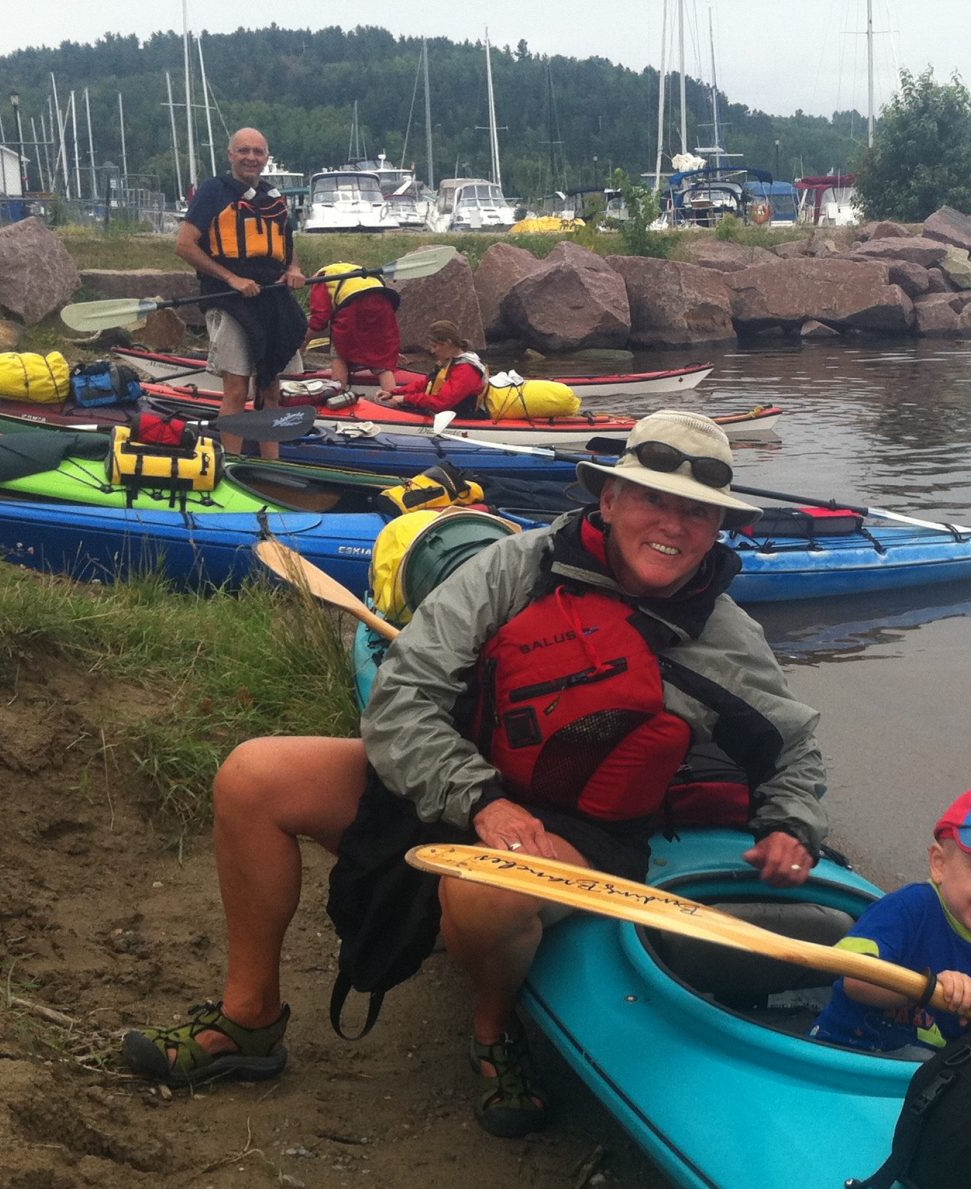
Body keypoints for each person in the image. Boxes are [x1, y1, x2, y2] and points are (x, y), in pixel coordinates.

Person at [121, 409, 828, 1137]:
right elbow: (401, 701)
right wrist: (480, 799)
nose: (674, 527)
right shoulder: (514, 568)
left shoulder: (723, 634)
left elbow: (794, 744)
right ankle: (249, 1022)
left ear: (717, 528)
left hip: (584, 828)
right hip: (462, 773)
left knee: (486, 891)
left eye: (698, 514)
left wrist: (789, 825)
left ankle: (494, 1030)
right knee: (253, 775)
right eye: (654, 499)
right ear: (609, 500)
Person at [808, 784, 971, 1056]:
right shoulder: (906, 909)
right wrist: (929, 988)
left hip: (927, 1078)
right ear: (939, 864)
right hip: (841, 1054)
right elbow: (855, 979)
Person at [175, 127, 307, 459]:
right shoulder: (213, 192)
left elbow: (286, 246)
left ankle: (272, 464)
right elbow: (185, 245)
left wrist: (293, 270)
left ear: (266, 157)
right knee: (236, 388)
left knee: (270, 388)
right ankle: (231, 463)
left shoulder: (274, 196)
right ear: (231, 154)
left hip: (271, 298)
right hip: (229, 300)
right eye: (244, 151)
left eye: (258, 152)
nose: (251, 158)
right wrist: (231, 279)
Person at [306, 261, 401, 399]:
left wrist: (304, 342)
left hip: (353, 308)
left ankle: (337, 396)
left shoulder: (321, 279)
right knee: (382, 362)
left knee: (339, 355)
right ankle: (394, 398)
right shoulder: (351, 270)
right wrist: (389, 351)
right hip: (384, 307)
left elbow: (320, 319)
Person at [384, 319, 487, 416]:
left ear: (447, 343)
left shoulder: (466, 369)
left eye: (435, 346)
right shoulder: (448, 362)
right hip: (444, 412)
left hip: (461, 416)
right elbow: (425, 384)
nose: (432, 351)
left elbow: (442, 402)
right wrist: (393, 392)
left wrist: (405, 399)